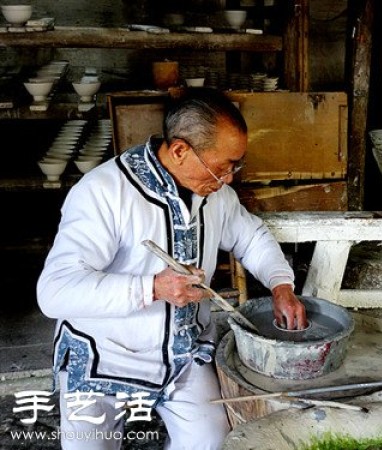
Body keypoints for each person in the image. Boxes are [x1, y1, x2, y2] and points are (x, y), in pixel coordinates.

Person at [37, 89, 307, 450]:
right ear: (180, 150)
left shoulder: (215, 193)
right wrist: (152, 288)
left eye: (235, 166)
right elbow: (54, 291)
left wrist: (281, 285)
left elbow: (251, 237)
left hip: (181, 353)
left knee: (212, 442)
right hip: (105, 355)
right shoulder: (104, 191)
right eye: (223, 165)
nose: (228, 178)